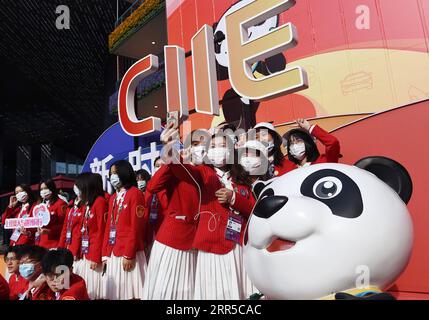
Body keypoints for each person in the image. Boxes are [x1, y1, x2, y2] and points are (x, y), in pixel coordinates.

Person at [162, 123, 256, 300]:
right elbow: (181, 169)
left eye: (222, 146)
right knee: (217, 295)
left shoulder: (242, 178)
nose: (218, 150)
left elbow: (253, 210)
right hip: (212, 247)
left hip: (240, 248)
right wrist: (169, 147)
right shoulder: (202, 173)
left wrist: (234, 198)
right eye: (213, 147)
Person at [142, 129, 209, 300]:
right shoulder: (177, 167)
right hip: (173, 240)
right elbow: (152, 186)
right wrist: (169, 154)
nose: (199, 148)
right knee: (167, 292)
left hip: (200, 242)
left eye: (203, 144)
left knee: (189, 294)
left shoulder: (210, 171)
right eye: (194, 144)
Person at [102, 160, 148, 300]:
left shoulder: (135, 194)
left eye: (115, 173)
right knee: (117, 294)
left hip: (129, 252)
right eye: (111, 174)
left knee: (132, 294)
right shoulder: (113, 198)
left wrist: (129, 254)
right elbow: (108, 227)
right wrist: (105, 254)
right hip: (114, 251)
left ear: (124, 172)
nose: (112, 176)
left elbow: (136, 227)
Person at [73, 173, 107, 300]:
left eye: (78, 186)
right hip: (84, 252)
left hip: (93, 255)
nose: (76, 189)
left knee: (94, 290)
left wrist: (96, 256)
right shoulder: (86, 204)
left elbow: (101, 232)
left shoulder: (100, 202)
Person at [36, 179, 67, 249]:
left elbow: (64, 225)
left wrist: (50, 231)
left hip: (54, 243)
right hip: (41, 242)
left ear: (52, 188)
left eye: (46, 188)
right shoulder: (40, 205)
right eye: (41, 189)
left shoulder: (60, 203)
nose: (43, 191)